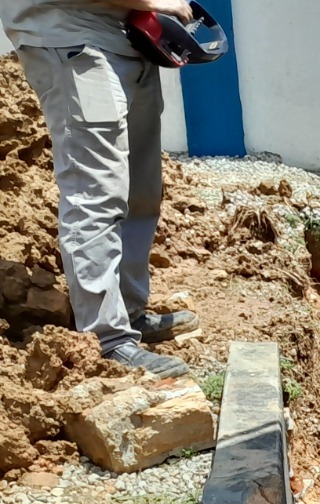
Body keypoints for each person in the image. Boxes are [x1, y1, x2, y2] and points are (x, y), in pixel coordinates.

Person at [0, 0, 200, 379]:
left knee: (140, 190)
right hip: (73, 40)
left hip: (124, 36)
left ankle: (128, 312)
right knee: (95, 192)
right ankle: (106, 339)